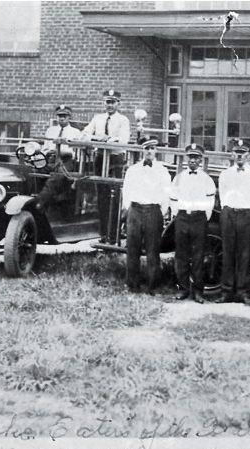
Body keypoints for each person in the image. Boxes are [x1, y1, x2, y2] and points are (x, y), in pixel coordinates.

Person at [216, 139, 250, 305]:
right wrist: (228, 209)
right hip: (229, 214)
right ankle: (226, 292)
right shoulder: (225, 174)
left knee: (244, 254)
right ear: (232, 154)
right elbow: (222, 195)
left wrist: (249, 212)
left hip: (247, 215)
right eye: (236, 153)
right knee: (227, 253)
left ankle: (243, 292)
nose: (239, 156)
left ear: (248, 155)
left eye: (243, 153)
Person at [122, 136, 171, 295]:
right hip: (135, 211)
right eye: (146, 148)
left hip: (153, 212)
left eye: (152, 148)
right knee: (132, 250)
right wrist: (130, 209)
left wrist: (159, 212)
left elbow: (166, 194)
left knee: (152, 251)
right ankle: (132, 286)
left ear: (156, 150)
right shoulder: (133, 170)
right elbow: (127, 191)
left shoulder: (162, 171)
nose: (149, 151)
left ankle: (153, 286)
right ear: (142, 150)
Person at [170, 143, 216, 304]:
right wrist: (180, 214)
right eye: (190, 157)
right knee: (181, 255)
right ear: (186, 159)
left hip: (199, 219)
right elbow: (173, 199)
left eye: (196, 158)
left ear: (201, 160)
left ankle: (198, 291)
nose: (193, 161)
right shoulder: (179, 177)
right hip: (182, 218)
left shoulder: (207, 179)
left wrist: (200, 216)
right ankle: (183, 289)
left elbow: (210, 202)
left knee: (198, 256)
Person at [82, 89, 131, 243]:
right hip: (100, 158)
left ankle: (114, 234)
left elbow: (123, 140)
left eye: (113, 102)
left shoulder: (123, 120)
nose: (110, 105)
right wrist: (97, 138)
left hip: (115, 160)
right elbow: (84, 134)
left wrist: (108, 140)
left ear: (118, 103)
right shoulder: (97, 119)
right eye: (107, 102)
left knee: (115, 197)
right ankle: (103, 234)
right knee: (101, 197)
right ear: (103, 103)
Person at [36, 105, 82, 209]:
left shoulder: (75, 132)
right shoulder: (50, 131)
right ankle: (35, 199)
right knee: (35, 172)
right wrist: (48, 152)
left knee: (55, 178)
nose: (61, 118)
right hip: (50, 160)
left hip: (66, 162)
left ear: (69, 117)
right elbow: (44, 149)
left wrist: (62, 151)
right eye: (60, 116)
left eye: (64, 116)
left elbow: (77, 153)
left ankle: (39, 203)